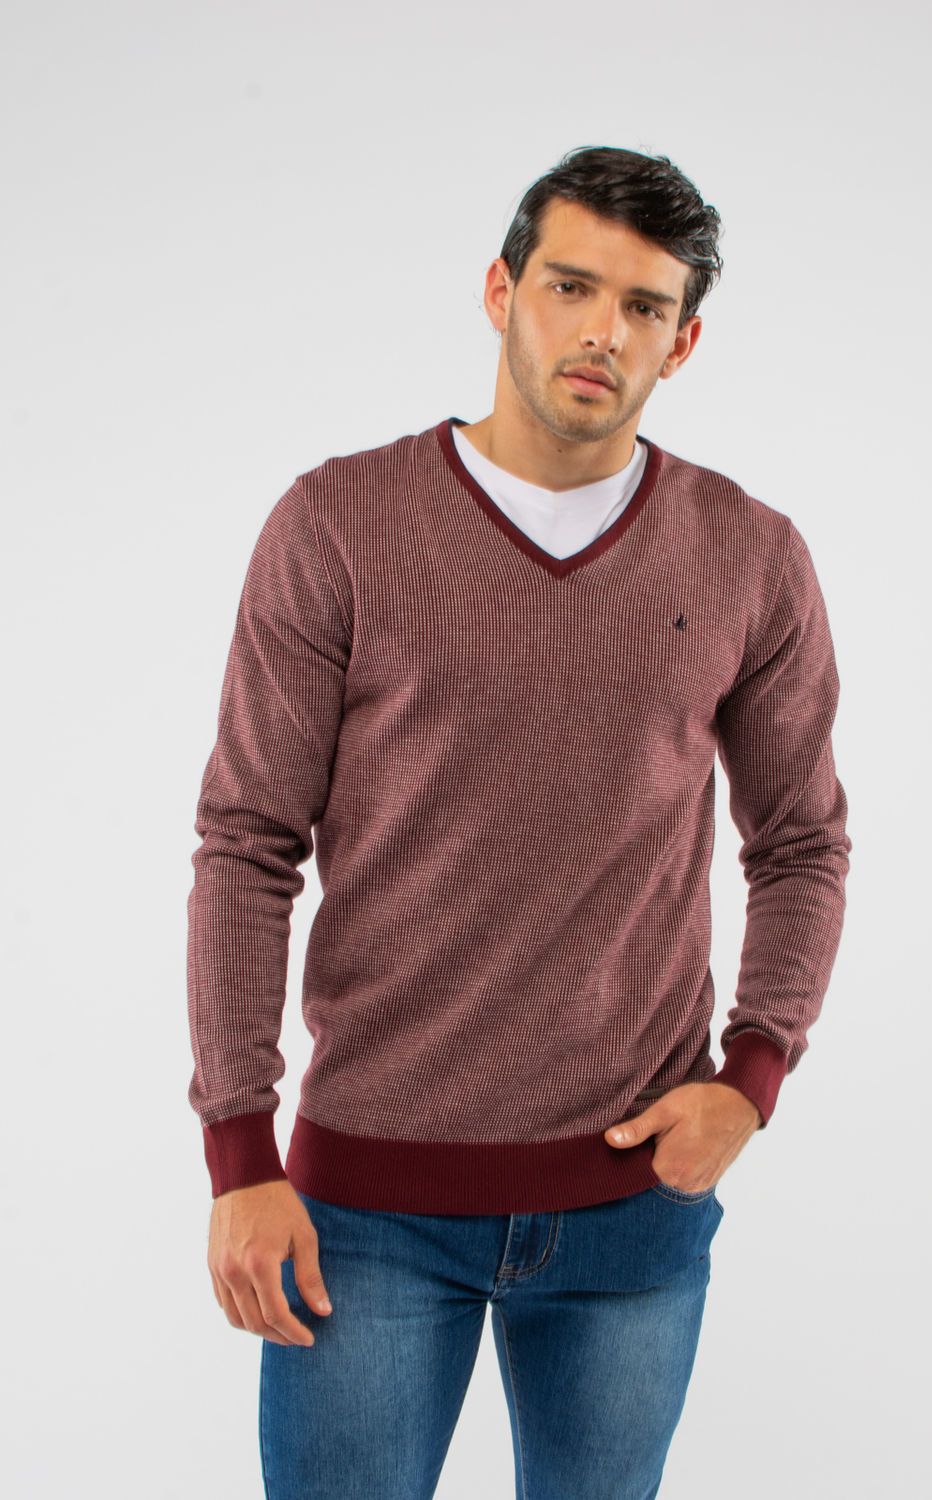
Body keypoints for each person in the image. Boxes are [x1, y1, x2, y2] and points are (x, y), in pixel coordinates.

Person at [186, 144, 851, 1498]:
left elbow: (802, 844)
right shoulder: (338, 524)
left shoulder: (748, 552)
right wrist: (239, 1149)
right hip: (365, 1209)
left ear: (684, 340)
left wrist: (753, 1078)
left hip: (630, 1206)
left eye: (644, 305)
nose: (603, 330)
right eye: (570, 286)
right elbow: (246, 844)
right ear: (501, 291)